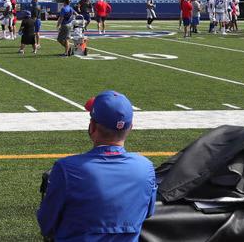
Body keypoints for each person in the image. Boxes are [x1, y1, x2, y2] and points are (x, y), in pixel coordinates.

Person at [37, 90, 156, 242]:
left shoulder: (66, 169)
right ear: (130, 128)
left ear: (92, 126)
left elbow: (46, 224)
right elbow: (148, 212)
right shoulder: (146, 168)